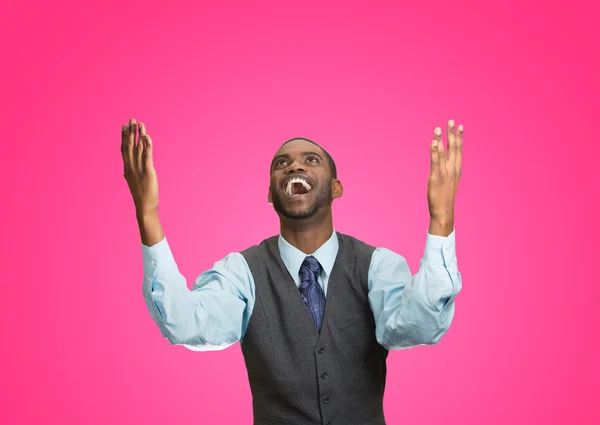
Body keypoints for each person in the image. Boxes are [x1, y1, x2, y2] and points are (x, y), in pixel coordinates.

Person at [121, 118, 463, 425]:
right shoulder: (241, 272)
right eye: (281, 163)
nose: (293, 166)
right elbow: (184, 324)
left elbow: (419, 327)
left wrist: (441, 219)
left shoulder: (377, 265)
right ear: (271, 193)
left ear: (336, 188)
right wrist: (147, 213)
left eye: (310, 160)